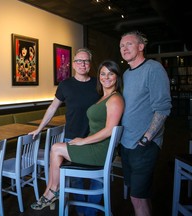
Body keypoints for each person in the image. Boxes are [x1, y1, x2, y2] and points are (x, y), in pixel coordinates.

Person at [30, 59, 124, 215]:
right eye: (103, 73)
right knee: (56, 150)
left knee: (56, 149)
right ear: (73, 64)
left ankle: (53, 192)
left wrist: (83, 141)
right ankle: (53, 192)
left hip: (99, 149)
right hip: (95, 145)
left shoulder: (115, 98)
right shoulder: (103, 95)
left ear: (117, 77)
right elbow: (53, 106)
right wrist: (40, 128)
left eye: (111, 74)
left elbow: (109, 130)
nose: (106, 77)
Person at [119, 31, 172, 216]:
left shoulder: (153, 68)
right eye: (121, 46)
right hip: (126, 143)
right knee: (141, 195)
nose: (124, 48)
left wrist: (146, 139)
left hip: (143, 145)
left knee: (137, 198)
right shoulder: (126, 73)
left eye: (129, 44)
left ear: (141, 46)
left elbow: (163, 108)